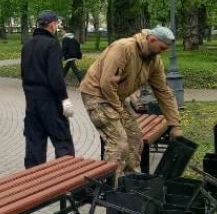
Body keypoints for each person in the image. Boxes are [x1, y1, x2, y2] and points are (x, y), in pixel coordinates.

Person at [78, 26, 183, 176]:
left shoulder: (154, 61)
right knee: (119, 142)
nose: (163, 51)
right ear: (152, 40)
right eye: (162, 47)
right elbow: (106, 83)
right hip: (97, 95)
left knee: (135, 139)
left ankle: (130, 182)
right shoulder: (123, 48)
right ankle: (110, 186)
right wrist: (118, 109)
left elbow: (163, 92)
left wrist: (174, 124)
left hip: (116, 97)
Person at [20, 10, 76, 169]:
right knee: (63, 142)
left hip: (31, 102)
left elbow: (24, 73)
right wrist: (64, 99)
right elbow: (56, 78)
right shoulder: (52, 45)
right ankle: (66, 181)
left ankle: (33, 183)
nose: (57, 26)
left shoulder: (27, 45)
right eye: (57, 23)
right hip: (50, 102)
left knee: (34, 146)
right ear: (52, 24)